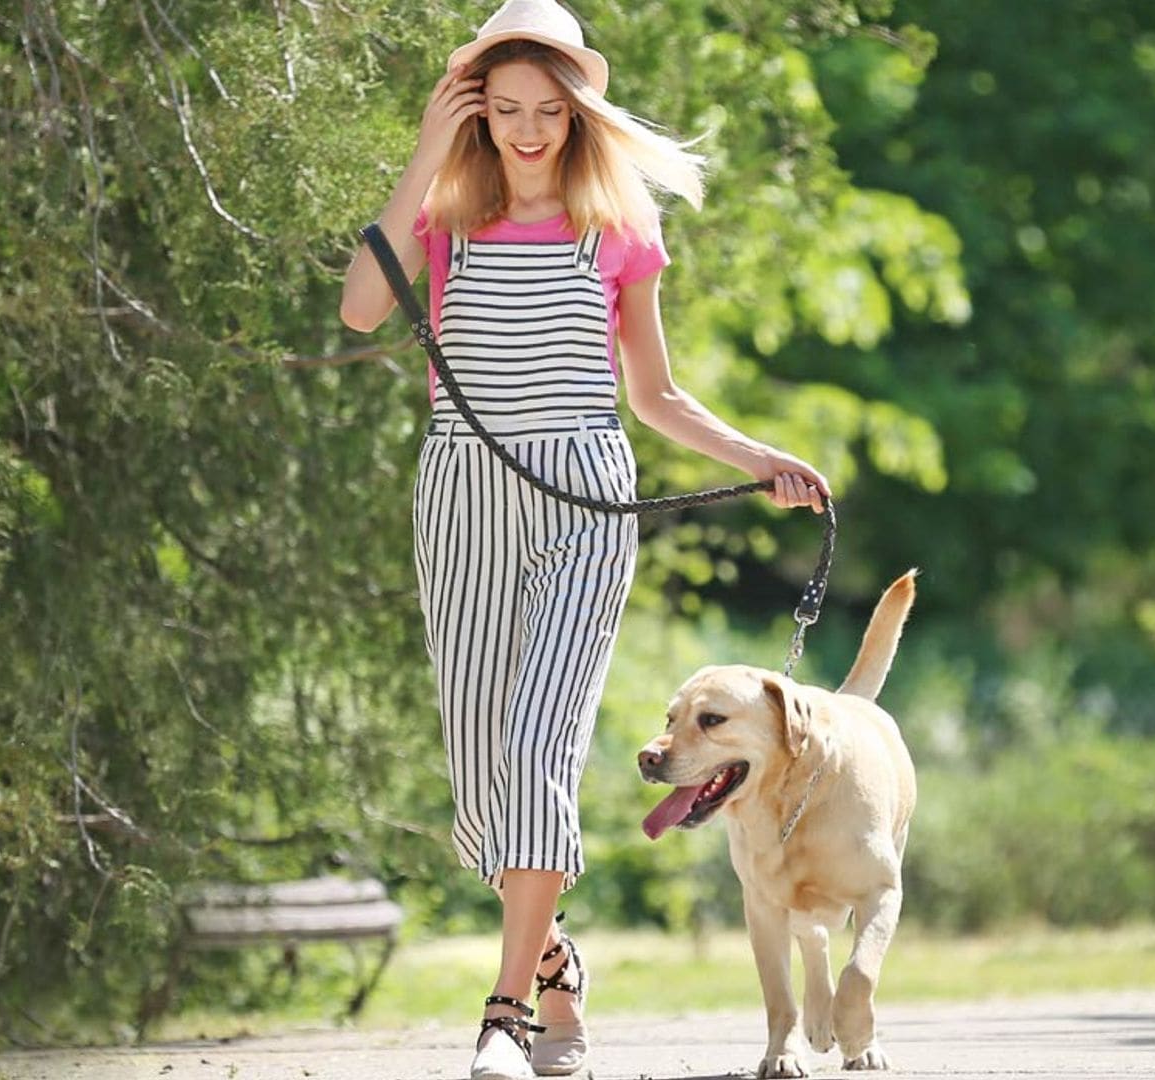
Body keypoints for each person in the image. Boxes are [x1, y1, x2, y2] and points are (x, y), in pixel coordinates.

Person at [338, 2, 830, 1077]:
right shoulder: (445, 214)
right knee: (482, 782)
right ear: (473, 110)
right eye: (503, 108)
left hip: (583, 497)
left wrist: (760, 460)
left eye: (547, 111)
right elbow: (362, 312)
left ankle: (505, 1014)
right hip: (464, 491)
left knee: (536, 753)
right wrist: (425, 151)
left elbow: (653, 395)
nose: (525, 130)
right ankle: (556, 968)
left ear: (577, 113)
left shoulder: (618, 227)